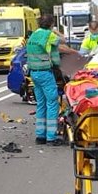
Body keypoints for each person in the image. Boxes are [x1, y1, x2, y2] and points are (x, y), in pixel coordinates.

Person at [25, 15, 75, 146]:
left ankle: (40, 136)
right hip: (45, 73)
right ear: (51, 24)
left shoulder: (34, 35)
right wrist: (55, 30)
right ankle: (51, 137)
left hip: (34, 73)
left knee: (41, 104)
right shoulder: (49, 35)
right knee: (52, 104)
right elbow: (63, 40)